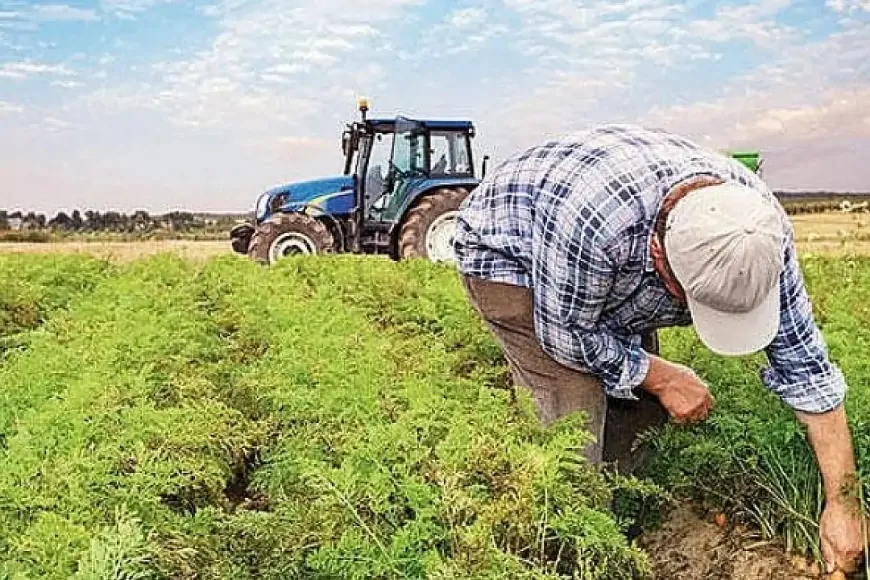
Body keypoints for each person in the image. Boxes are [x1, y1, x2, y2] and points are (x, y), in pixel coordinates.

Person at [452, 123, 866, 575]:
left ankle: (631, 522)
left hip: (604, 258)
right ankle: (569, 546)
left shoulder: (758, 232)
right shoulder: (595, 224)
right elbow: (566, 336)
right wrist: (664, 375)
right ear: (659, 256)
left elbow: (808, 371)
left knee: (638, 407)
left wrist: (843, 503)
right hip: (513, 256)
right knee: (574, 415)